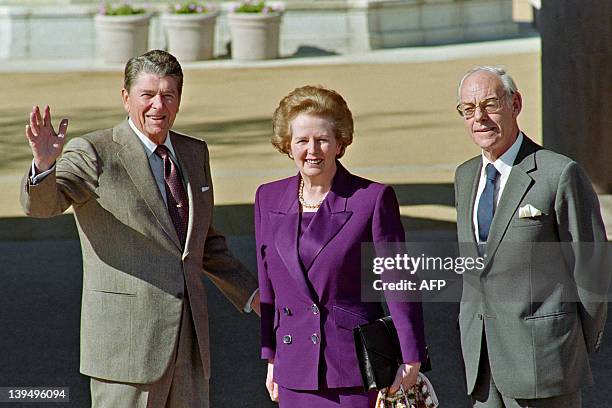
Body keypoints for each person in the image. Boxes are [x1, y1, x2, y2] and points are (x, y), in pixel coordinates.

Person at [20, 50, 259, 408]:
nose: (157, 105)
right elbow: (44, 205)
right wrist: (43, 165)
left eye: (168, 95)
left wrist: (253, 296)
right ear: (126, 97)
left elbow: (202, 244)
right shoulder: (94, 152)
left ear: (179, 99)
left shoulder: (195, 153)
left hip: (190, 345)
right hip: (126, 347)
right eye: (147, 95)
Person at [254, 85, 427, 407]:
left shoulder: (371, 199)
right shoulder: (267, 197)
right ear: (288, 146)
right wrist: (271, 357)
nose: (312, 150)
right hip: (295, 368)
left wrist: (411, 355)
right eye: (302, 140)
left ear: (340, 143)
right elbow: (269, 290)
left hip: (353, 368)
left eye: (322, 139)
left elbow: (398, 281)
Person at [454, 66, 609, 407]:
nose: (479, 117)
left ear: (515, 104)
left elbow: (591, 268)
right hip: (483, 365)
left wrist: (567, 342)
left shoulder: (558, 173)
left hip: (545, 363)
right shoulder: (465, 177)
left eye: (490, 104)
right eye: (468, 109)